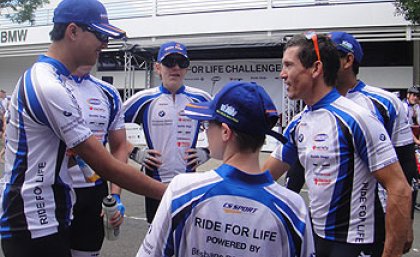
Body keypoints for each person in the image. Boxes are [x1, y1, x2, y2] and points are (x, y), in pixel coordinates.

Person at [0, 0, 165, 257]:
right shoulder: (47, 84)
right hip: (32, 220)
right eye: (99, 35)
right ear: (73, 31)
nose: (105, 44)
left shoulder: (56, 80)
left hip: (51, 215)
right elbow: (105, 165)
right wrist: (172, 192)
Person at [263, 32, 412, 257]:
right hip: (317, 238)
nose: (282, 74)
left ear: (315, 69)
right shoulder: (299, 122)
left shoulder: (357, 118)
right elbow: (263, 176)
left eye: (288, 65)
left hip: (356, 243)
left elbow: (400, 188)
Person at [136, 81, 315, 257]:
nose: (205, 132)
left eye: (207, 125)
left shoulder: (183, 190)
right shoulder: (294, 208)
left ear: (225, 132)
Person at [123, 41, 211, 224]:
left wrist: (208, 152)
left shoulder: (201, 99)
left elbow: (226, 132)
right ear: (157, 67)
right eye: (169, 62)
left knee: (186, 238)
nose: (175, 67)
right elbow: (109, 128)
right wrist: (135, 152)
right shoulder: (143, 99)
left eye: (181, 62)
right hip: (154, 183)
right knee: (156, 238)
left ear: (187, 68)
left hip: (188, 184)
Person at [68, 65, 125, 257]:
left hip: (94, 192)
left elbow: (119, 147)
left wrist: (115, 195)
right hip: (54, 191)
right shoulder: (49, 84)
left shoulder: (108, 92)